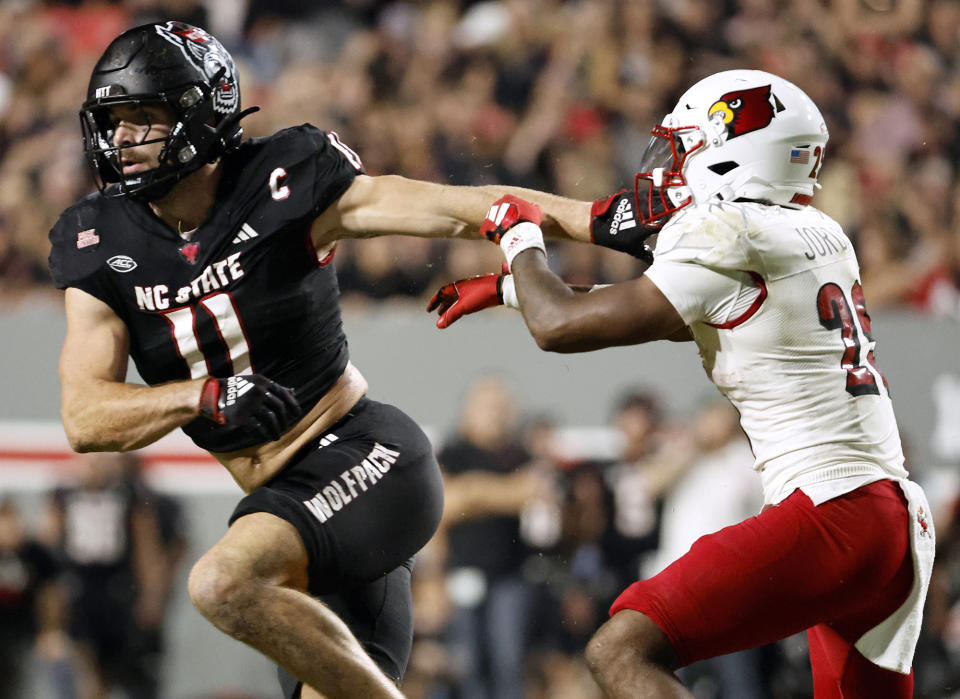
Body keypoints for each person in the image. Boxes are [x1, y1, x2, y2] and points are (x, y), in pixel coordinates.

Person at [48, 21, 622, 699]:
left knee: (223, 582)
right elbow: (85, 415)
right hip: (290, 510)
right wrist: (199, 396)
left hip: (364, 456)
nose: (122, 139)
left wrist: (599, 218)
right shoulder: (96, 238)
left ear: (202, 114)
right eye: (113, 121)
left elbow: (448, 209)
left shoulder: (282, 179)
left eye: (143, 116)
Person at [429, 69, 936, 697]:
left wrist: (521, 240)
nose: (667, 167)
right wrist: (513, 289)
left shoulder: (730, 231)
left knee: (622, 651)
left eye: (683, 148)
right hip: (891, 518)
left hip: (828, 512)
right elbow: (671, 312)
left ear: (730, 158)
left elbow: (559, 327)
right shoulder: (819, 233)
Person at [46, 452, 168, 699]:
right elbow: (50, 543)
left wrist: (152, 595)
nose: (96, 468)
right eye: (90, 462)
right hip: (80, 584)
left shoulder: (129, 495)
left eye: (102, 461)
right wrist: (51, 616)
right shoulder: (63, 495)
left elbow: (147, 548)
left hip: (117, 586)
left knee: (120, 661)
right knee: (84, 658)